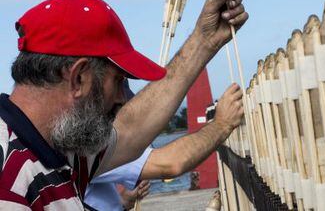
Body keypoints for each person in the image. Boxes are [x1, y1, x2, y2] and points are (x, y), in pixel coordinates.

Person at [0, 0, 248, 209]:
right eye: (118, 81)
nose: (121, 98)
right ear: (79, 78)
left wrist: (204, 41)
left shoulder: (60, 147)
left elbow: (130, 129)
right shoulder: (9, 184)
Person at [85, 84, 242, 210]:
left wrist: (123, 201)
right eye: (120, 107)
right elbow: (172, 163)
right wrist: (222, 124)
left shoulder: (91, 142)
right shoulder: (89, 145)